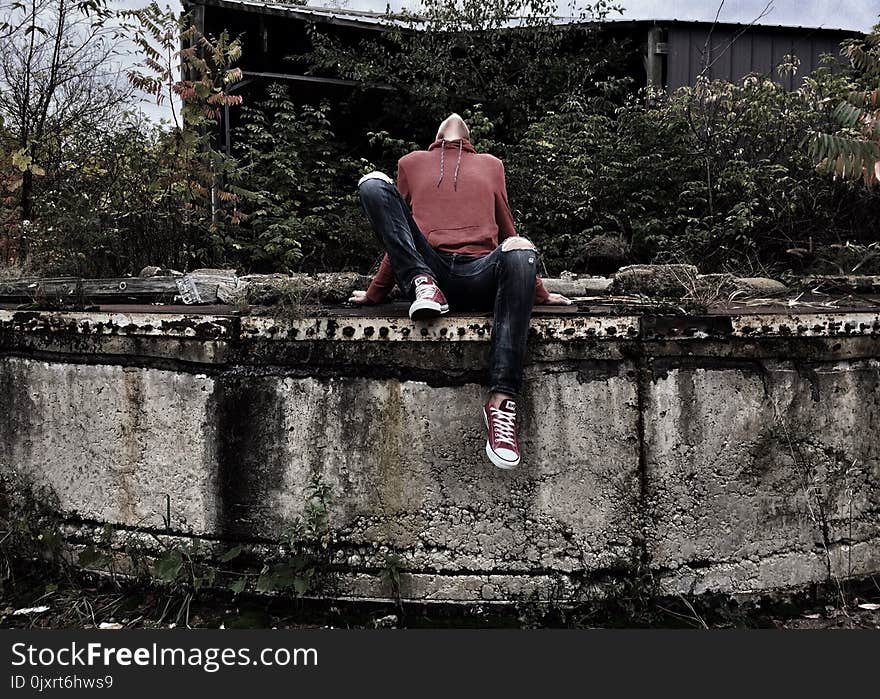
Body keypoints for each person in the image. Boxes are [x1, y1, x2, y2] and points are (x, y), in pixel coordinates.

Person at [349, 113, 571, 469]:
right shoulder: (411, 163)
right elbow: (399, 235)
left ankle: (501, 403)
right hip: (431, 272)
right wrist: (376, 292)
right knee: (374, 184)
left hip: (480, 273)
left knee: (522, 247)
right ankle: (425, 285)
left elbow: (508, 230)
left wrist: (540, 293)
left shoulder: (490, 165)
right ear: (437, 136)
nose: (454, 119)